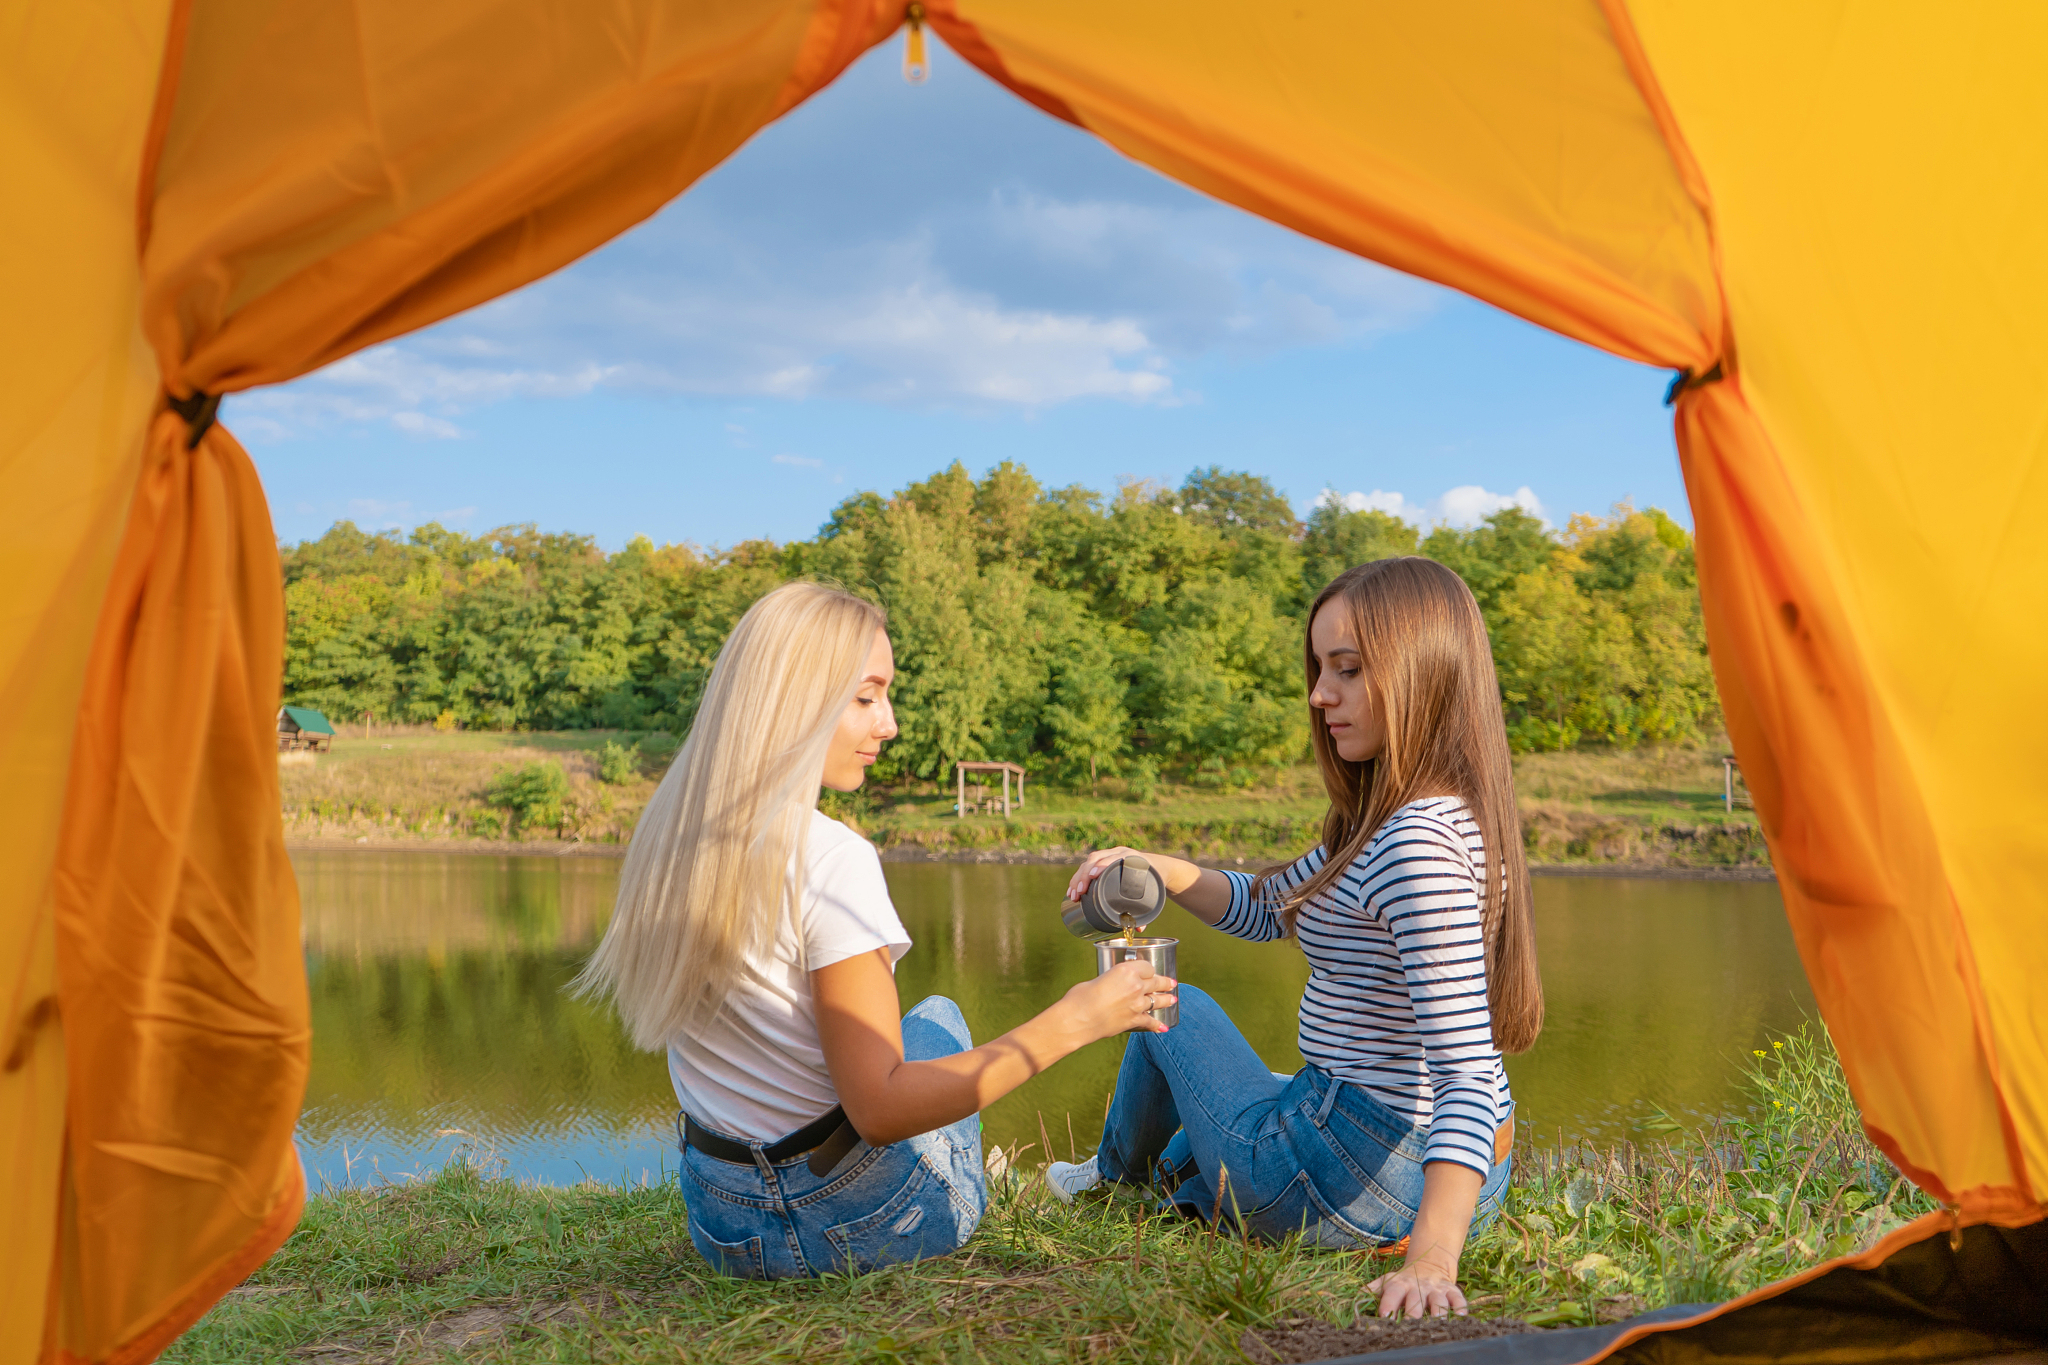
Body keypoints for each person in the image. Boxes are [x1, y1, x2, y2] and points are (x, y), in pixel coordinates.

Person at [573, 581, 1175, 1280]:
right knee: (942, 1019)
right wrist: (1077, 1019)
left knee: (926, 1022)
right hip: (843, 1225)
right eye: (865, 697)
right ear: (794, 702)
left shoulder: (674, 833)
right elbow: (881, 1109)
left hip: (721, 1217)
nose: (887, 724)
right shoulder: (832, 857)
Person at [1045, 557, 1542, 1321]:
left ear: (1423, 672)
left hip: (1363, 1171)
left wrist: (1433, 1259)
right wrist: (1160, 869)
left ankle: (1114, 1181)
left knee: (1160, 1004)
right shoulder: (1422, 819)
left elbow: (1468, 1072)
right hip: (1440, 1158)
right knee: (1205, 1132)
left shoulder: (1414, 847)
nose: (1319, 694)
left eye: (1346, 669)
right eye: (1320, 668)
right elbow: (1267, 907)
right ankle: (1185, 1177)